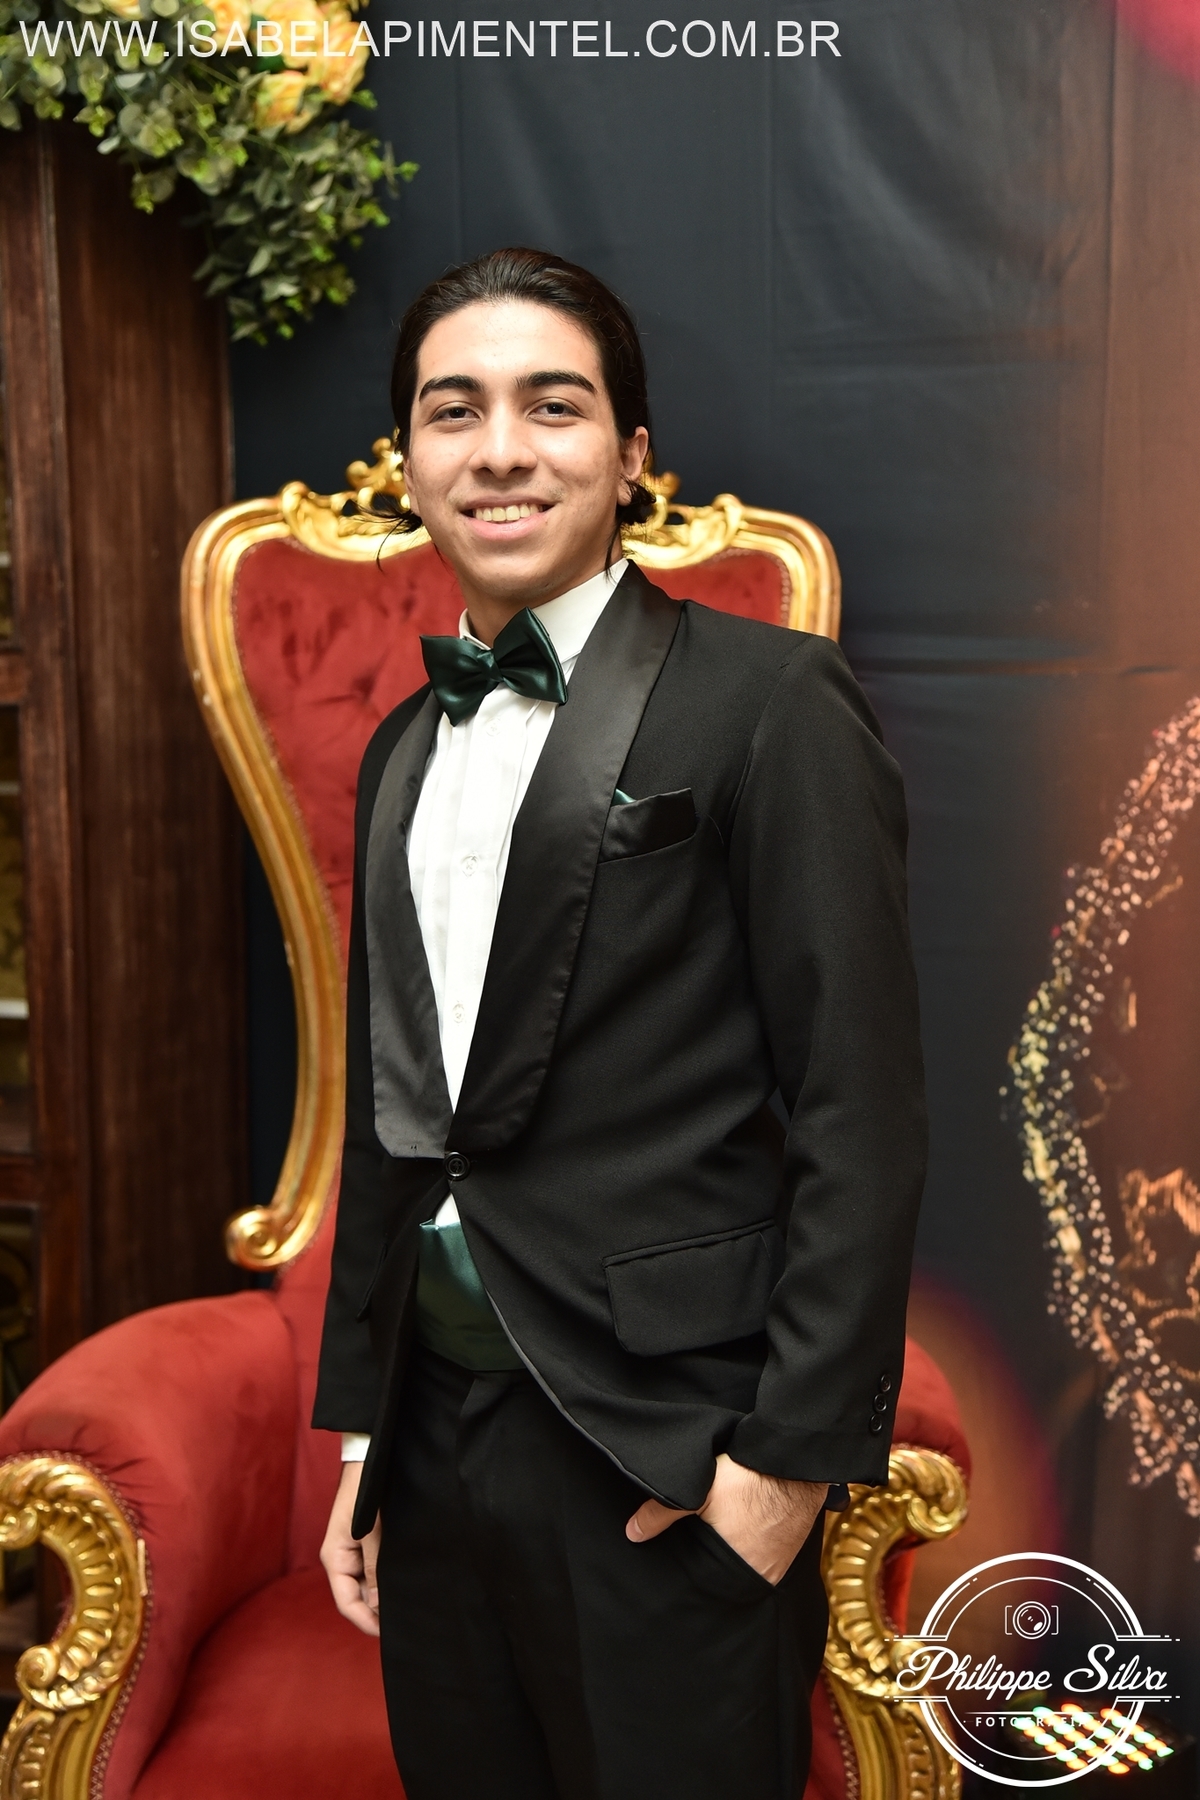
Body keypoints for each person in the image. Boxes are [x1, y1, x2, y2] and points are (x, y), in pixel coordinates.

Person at [315, 246, 926, 1800]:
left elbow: (859, 1110)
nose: (500, 449)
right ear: (408, 461)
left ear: (632, 452)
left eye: (554, 405)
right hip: (432, 1453)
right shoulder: (399, 748)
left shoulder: (773, 701)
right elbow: (398, 1112)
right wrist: (363, 1440)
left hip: (663, 1447)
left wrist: (781, 1475)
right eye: (454, 410)